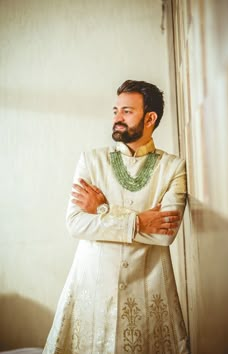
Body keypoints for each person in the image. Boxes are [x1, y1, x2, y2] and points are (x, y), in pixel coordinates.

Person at [43, 80, 190, 354]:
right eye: (115, 111)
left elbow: (165, 233)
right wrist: (138, 221)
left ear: (150, 118)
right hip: (92, 291)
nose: (117, 118)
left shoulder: (172, 168)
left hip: (148, 295)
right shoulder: (92, 161)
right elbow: (75, 223)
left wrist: (103, 211)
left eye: (126, 111)